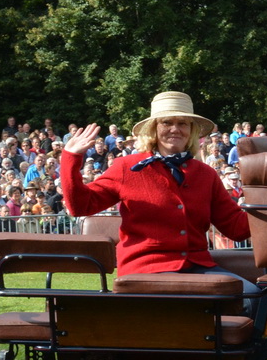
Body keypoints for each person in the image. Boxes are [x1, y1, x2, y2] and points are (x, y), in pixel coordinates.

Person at [59, 91, 254, 292]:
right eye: (167, 123)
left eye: (183, 123)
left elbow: (236, 228)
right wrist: (70, 158)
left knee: (253, 297)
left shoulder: (205, 174)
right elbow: (80, 206)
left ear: (192, 130)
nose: (175, 129)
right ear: (153, 129)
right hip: (145, 270)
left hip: (198, 267)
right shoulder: (127, 167)